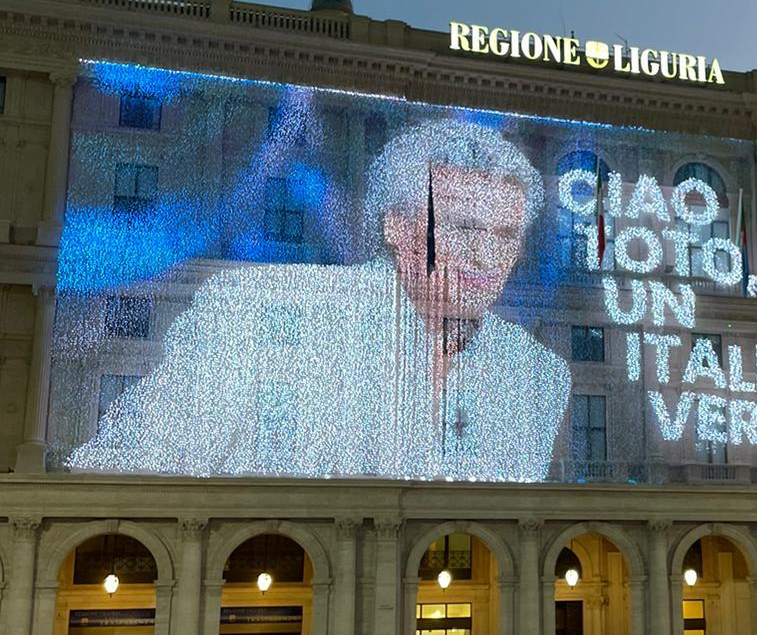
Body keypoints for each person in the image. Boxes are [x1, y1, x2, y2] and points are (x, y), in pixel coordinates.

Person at [67, 120, 572, 481]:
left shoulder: (538, 376)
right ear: (397, 227)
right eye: (462, 229)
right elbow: (116, 470)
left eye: (507, 235)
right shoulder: (254, 308)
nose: (487, 255)